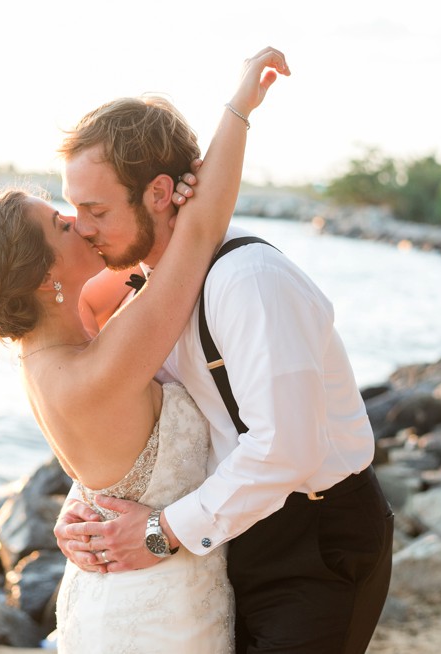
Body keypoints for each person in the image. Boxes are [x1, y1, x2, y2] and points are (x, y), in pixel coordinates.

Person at [0, 48, 289, 652]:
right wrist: (239, 108)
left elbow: (157, 251)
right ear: (42, 277)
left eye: (79, 212)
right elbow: (201, 233)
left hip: (132, 593)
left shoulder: (50, 345)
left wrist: (165, 195)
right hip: (155, 615)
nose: (79, 224)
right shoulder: (100, 365)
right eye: (61, 224)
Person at [55, 51, 393, 654]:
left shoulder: (249, 280)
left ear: (160, 193)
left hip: (315, 542)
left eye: (96, 210)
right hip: (231, 535)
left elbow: (286, 448)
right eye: (74, 209)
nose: (81, 227)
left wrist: (162, 533)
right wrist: (83, 507)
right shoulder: (150, 290)